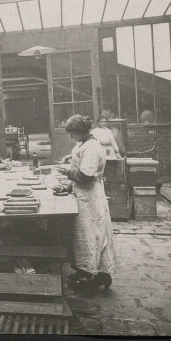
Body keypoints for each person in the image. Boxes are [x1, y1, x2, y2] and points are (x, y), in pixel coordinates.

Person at [55, 115, 115, 291]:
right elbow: (79, 169)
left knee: (93, 235)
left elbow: (86, 175)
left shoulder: (92, 147)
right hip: (82, 194)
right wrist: (68, 186)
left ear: (78, 132)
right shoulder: (83, 144)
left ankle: (98, 274)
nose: (71, 137)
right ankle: (84, 270)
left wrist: (67, 173)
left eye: (72, 133)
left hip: (90, 197)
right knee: (83, 235)